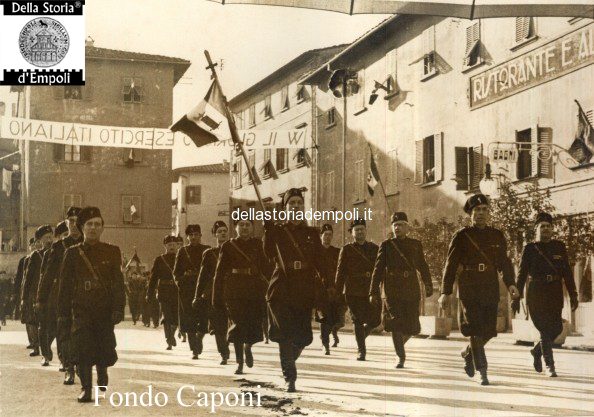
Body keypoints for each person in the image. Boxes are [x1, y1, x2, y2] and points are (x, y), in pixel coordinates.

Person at [439, 194, 519, 385]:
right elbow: (450, 266)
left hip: (490, 286)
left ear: (488, 212)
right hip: (469, 286)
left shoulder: (496, 235)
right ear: (470, 214)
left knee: (489, 330)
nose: (481, 214)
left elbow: (504, 263)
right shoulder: (461, 236)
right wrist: (445, 291)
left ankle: (468, 352)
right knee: (474, 328)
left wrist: (511, 284)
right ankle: (482, 371)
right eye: (476, 211)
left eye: (484, 210)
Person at [57, 206, 126, 403]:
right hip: (81, 310)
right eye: (89, 225)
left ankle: (102, 375)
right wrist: (63, 314)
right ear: (81, 227)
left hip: (104, 310)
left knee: (103, 347)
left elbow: (118, 284)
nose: (93, 228)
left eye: (97, 224)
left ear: (102, 228)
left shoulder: (112, 252)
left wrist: (118, 308)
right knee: (83, 349)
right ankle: (86, 388)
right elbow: (65, 286)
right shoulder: (72, 254)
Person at [264, 188, 327, 392]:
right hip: (282, 286)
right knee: (285, 334)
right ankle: (290, 376)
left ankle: (288, 359)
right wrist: (268, 231)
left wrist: (330, 283)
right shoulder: (278, 231)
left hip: (303, 288)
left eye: (299, 203)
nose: (296, 206)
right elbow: (268, 253)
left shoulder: (312, 234)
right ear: (285, 207)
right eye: (292, 203)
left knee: (303, 338)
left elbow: (320, 261)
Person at [514, 212, 579, 377]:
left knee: (556, 327)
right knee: (543, 328)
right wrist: (516, 297)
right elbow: (521, 275)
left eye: (549, 226)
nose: (546, 229)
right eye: (542, 226)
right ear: (536, 229)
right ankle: (550, 366)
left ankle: (537, 351)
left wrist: (573, 294)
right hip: (537, 291)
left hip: (555, 291)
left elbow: (567, 273)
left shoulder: (559, 247)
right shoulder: (530, 249)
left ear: (552, 229)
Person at [370, 212, 433, 368]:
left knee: (413, 327)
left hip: (411, 288)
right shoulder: (386, 245)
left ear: (407, 227)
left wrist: (428, 283)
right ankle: (400, 356)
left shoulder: (415, 244)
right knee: (395, 323)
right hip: (392, 289)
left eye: (401, 225)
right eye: (395, 225)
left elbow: (422, 266)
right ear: (392, 227)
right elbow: (377, 270)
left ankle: (398, 346)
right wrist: (373, 291)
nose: (397, 228)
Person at [212, 218, 270, 374]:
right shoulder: (228, 246)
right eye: (241, 225)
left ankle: (248, 347)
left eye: (248, 225)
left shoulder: (258, 244)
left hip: (254, 290)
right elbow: (219, 273)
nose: (244, 228)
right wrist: (216, 295)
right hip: (234, 291)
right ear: (235, 227)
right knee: (238, 325)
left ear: (252, 228)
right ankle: (239, 362)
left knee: (252, 324)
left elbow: (266, 267)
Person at [37, 207, 83, 384]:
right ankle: (69, 368)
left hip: (84, 298)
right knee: (64, 333)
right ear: (66, 223)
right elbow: (47, 275)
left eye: (76, 220)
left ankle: (80, 365)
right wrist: (41, 299)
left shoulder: (90, 245)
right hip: (62, 296)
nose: (73, 224)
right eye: (69, 221)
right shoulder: (58, 247)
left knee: (82, 334)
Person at [335, 218, 380, 361]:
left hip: (370, 289)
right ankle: (362, 351)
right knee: (358, 321)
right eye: (357, 229)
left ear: (366, 231)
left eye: (362, 229)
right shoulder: (347, 249)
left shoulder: (374, 248)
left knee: (376, 320)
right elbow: (340, 272)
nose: (360, 231)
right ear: (352, 233)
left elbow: (379, 270)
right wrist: (338, 291)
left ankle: (361, 335)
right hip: (352, 290)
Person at [193, 221, 231, 365]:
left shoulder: (233, 250)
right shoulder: (209, 254)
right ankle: (224, 353)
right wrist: (197, 295)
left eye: (224, 231)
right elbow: (202, 278)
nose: (222, 233)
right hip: (214, 294)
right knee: (219, 325)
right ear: (215, 234)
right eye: (220, 231)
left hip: (233, 292)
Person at [173, 224, 210, 359]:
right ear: (187, 237)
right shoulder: (182, 251)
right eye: (191, 235)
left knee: (204, 317)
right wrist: (181, 283)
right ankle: (194, 349)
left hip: (203, 288)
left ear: (200, 236)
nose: (194, 237)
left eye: (196, 234)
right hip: (187, 289)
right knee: (189, 319)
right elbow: (176, 273)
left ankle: (199, 338)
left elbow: (211, 270)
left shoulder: (207, 250)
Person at [21, 224, 53, 361]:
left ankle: (50, 351)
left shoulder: (56, 252)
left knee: (54, 327)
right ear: (39, 241)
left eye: (51, 237)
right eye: (46, 237)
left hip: (53, 295)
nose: (49, 240)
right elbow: (27, 279)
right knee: (40, 325)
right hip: (38, 295)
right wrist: (24, 298)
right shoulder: (35, 256)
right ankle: (42, 351)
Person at [147, 235, 180, 350]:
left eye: (174, 245)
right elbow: (153, 278)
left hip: (177, 292)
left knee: (176, 318)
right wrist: (149, 293)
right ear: (165, 246)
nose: (172, 247)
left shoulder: (180, 258)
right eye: (169, 245)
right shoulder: (160, 260)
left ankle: (171, 335)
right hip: (164, 291)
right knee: (167, 316)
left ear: (177, 246)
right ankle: (169, 339)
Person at [316, 223, 343, 355]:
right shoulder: (315, 251)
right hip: (320, 288)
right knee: (323, 317)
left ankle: (330, 334)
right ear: (321, 236)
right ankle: (325, 344)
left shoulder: (336, 252)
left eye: (330, 234)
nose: (327, 237)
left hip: (334, 288)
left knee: (334, 318)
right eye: (325, 234)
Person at [13, 238, 36, 327]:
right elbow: (19, 277)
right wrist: (16, 292)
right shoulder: (24, 260)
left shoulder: (43, 256)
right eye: (32, 245)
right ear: (29, 247)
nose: (34, 247)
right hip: (26, 290)